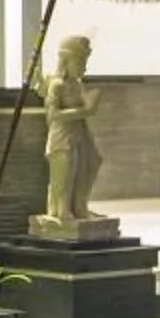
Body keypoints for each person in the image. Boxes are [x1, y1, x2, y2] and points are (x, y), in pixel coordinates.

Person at [40, 34, 102, 227]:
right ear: (67, 61)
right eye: (81, 62)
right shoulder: (57, 85)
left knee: (91, 163)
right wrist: (83, 111)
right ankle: (62, 208)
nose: (84, 67)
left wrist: (92, 103)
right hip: (62, 135)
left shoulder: (78, 85)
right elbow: (53, 115)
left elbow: (87, 104)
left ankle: (80, 204)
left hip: (80, 133)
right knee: (66, 171)